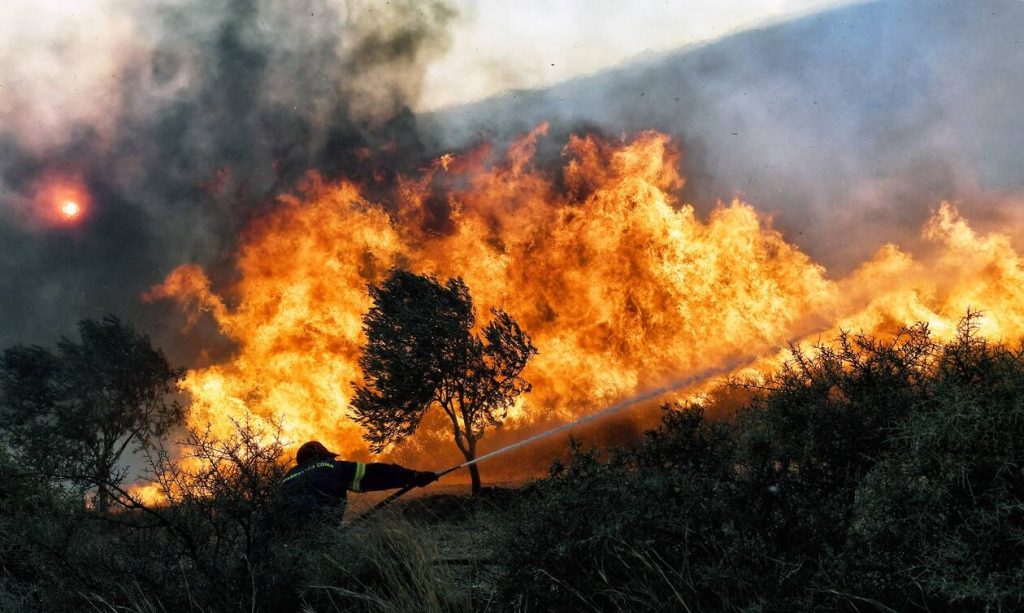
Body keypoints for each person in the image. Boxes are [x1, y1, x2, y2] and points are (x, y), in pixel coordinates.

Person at [280, 440, 438, 519]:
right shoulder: (331, 466)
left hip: (282, 532)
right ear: (324, 455)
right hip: (319, 528)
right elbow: (373, 474)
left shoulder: (289, 475)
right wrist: (414, 476)